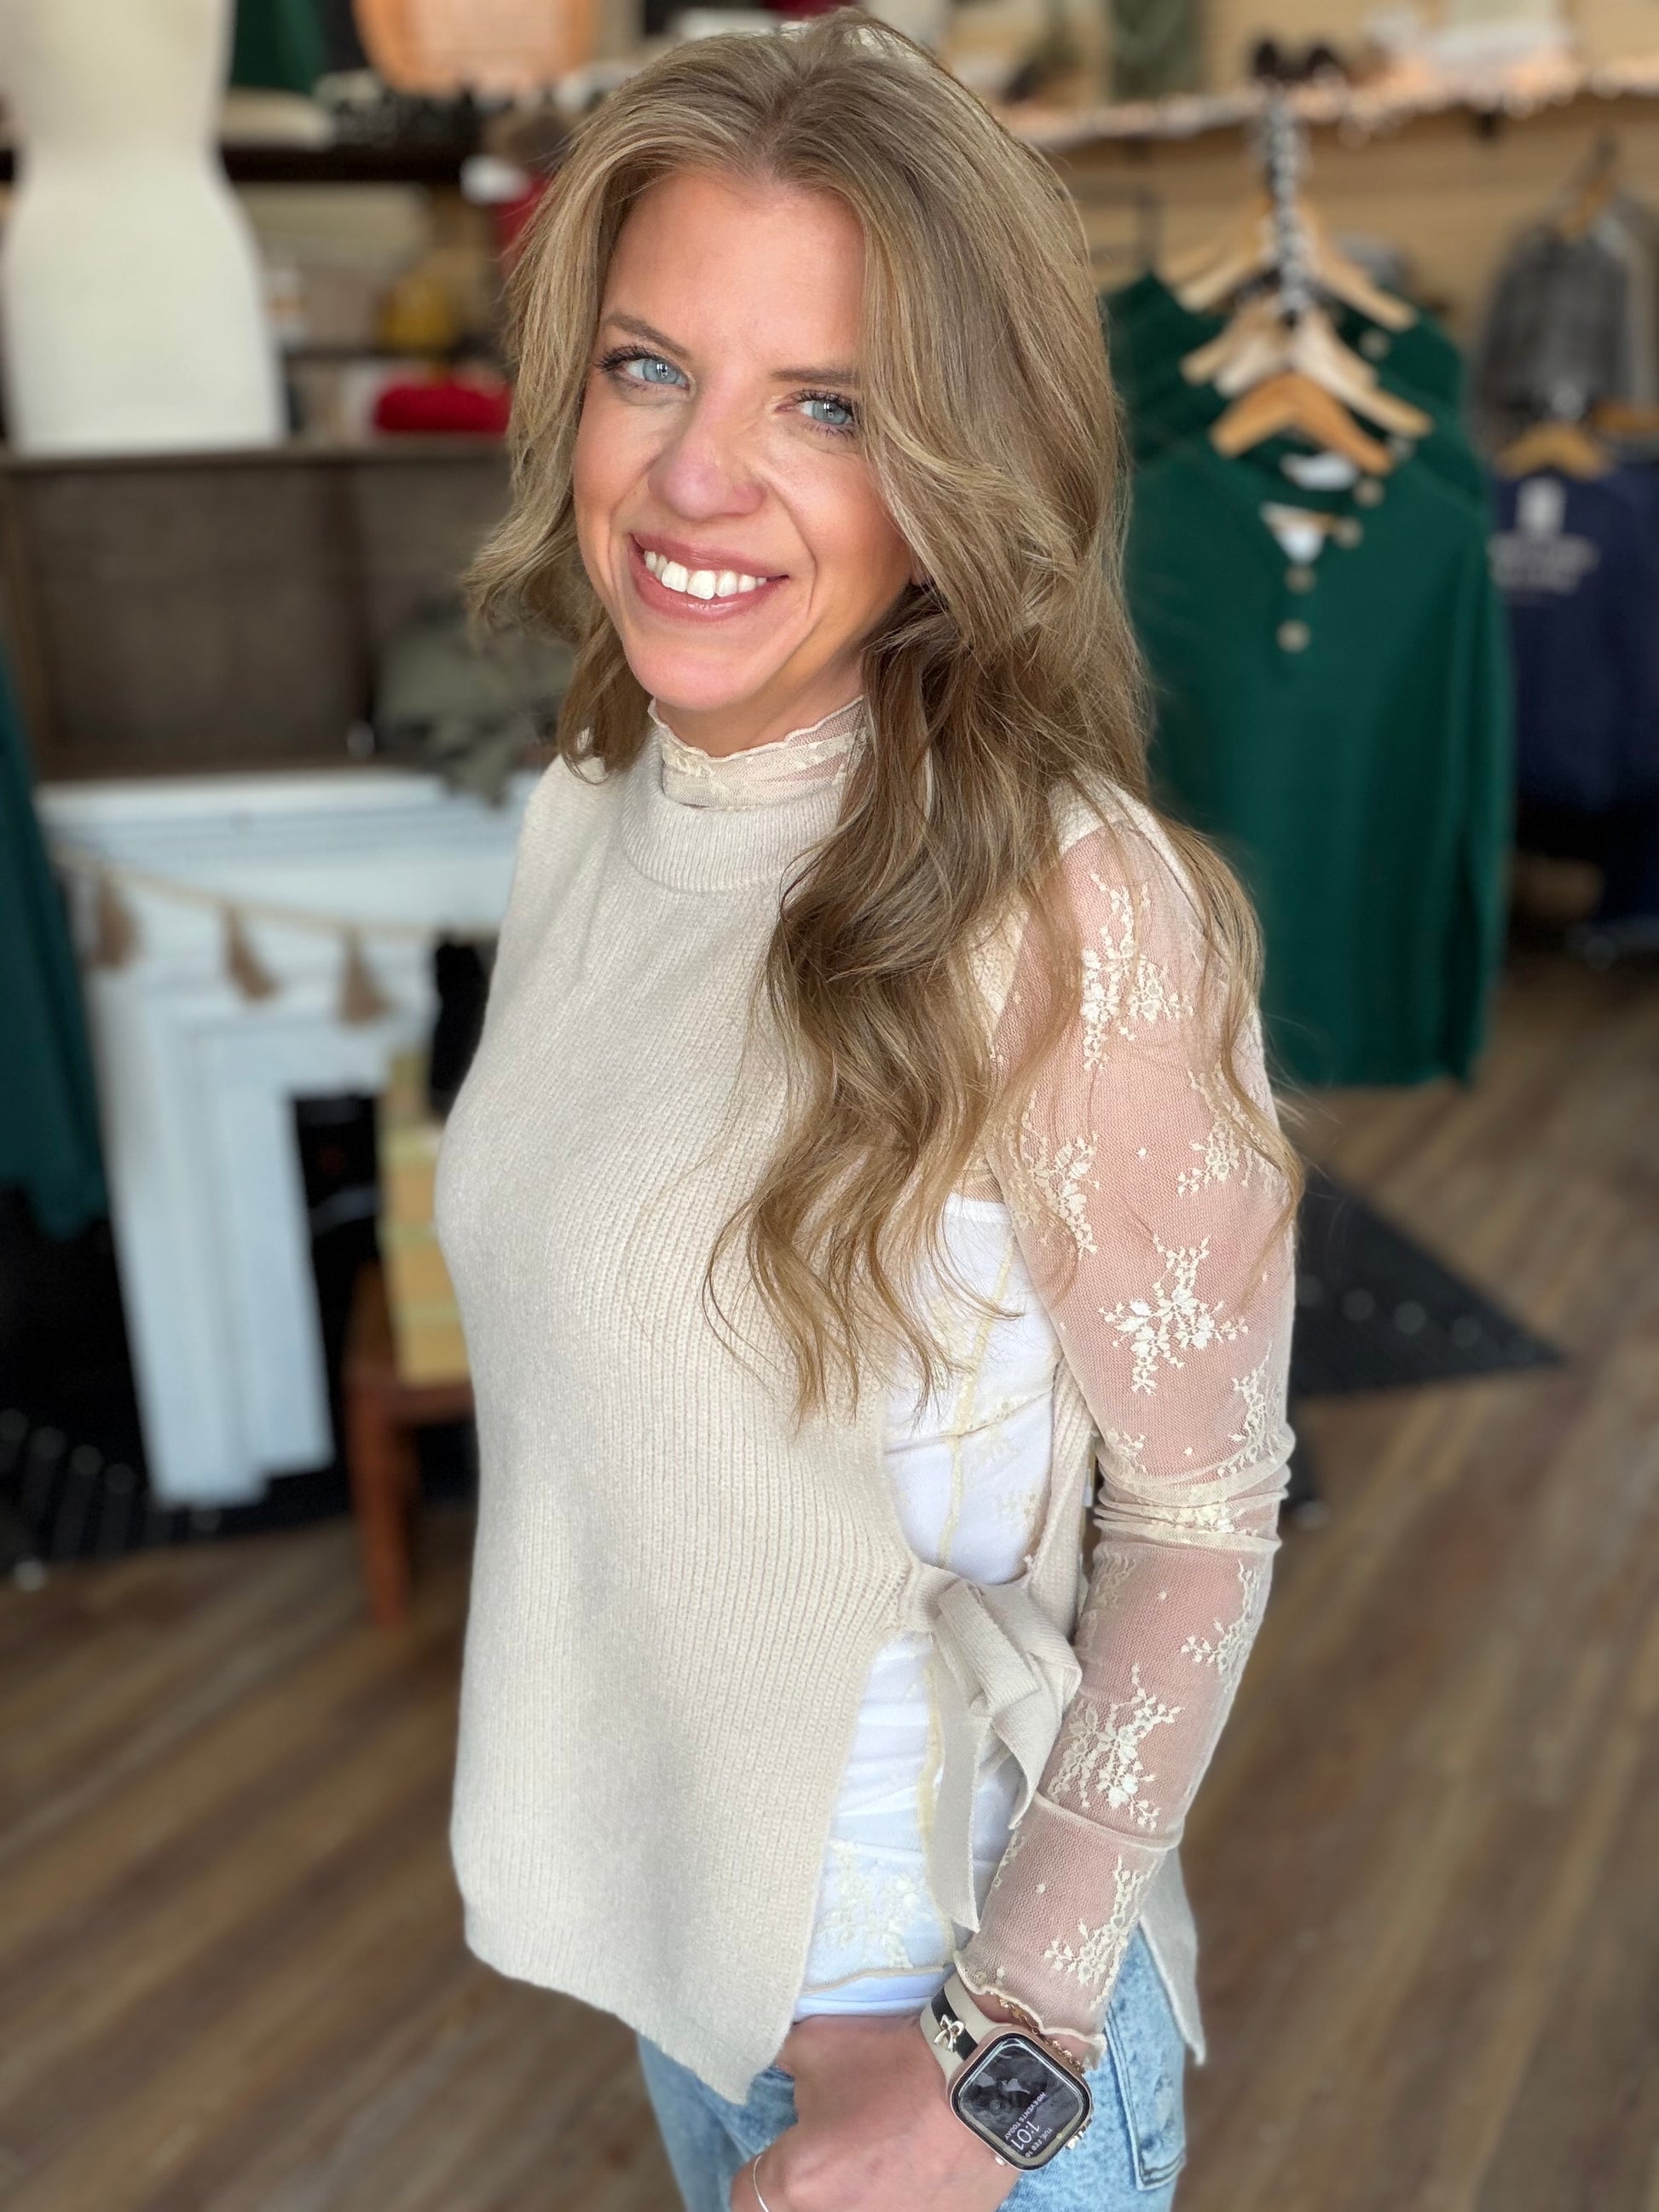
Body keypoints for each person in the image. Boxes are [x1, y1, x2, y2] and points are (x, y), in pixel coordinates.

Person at [434, 16, 1299, 2210]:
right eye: (649, 368)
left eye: (823, 404)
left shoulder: (1068, 904)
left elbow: (1202, 1519)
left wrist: (998, 2071)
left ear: (957, 468)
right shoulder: (591, 812)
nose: (694, 479)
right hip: (696, 1984)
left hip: (948, 2050)